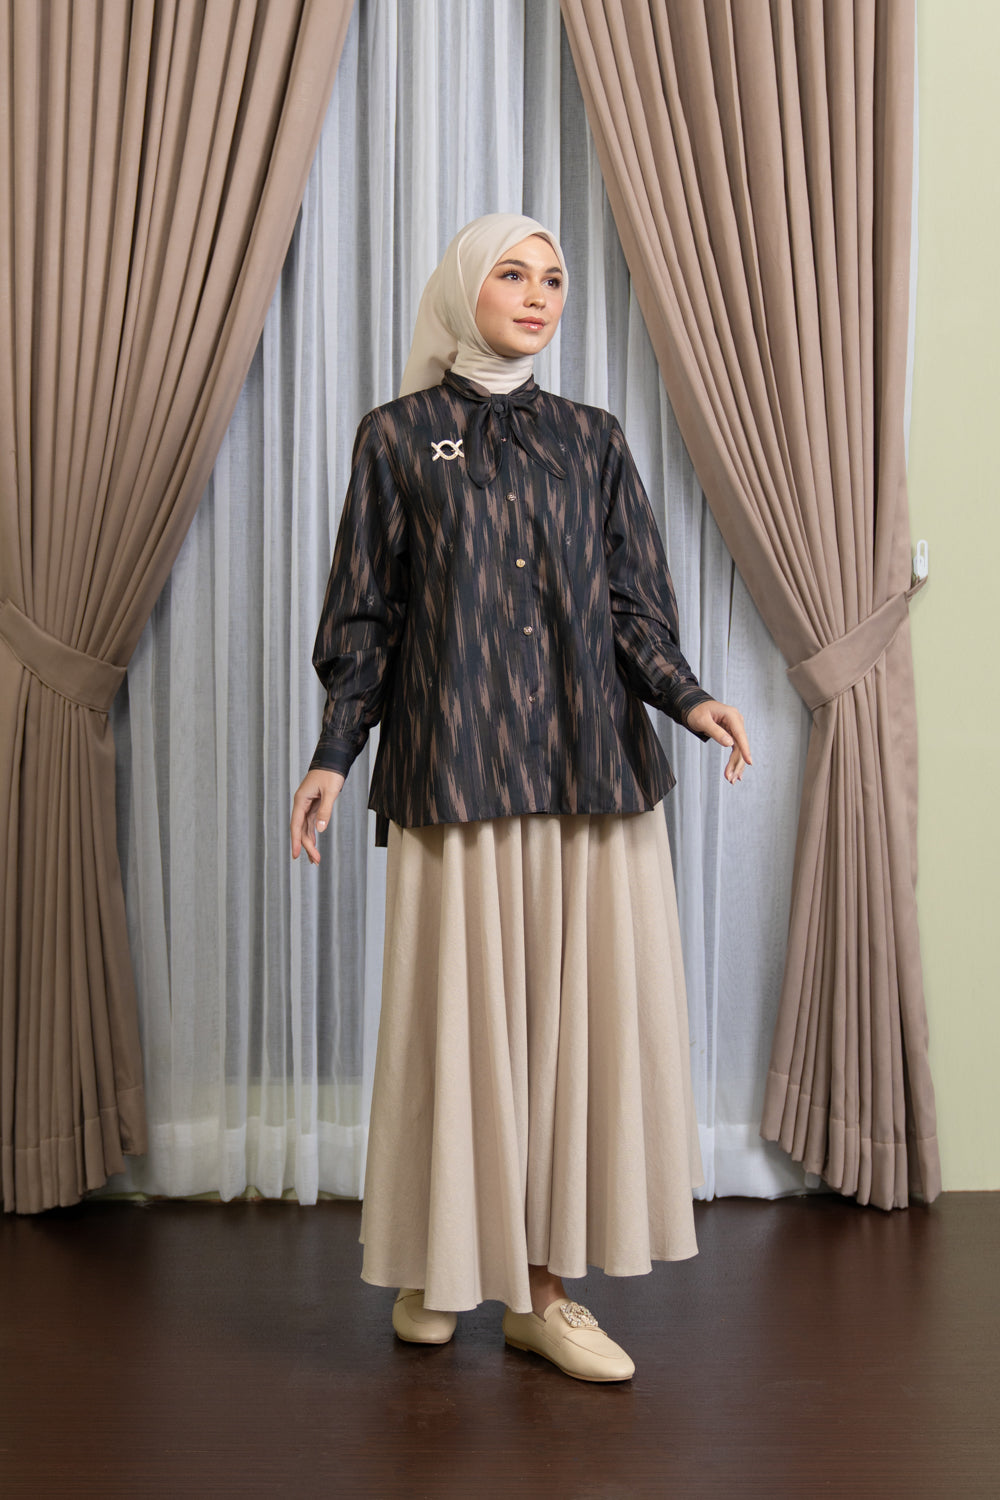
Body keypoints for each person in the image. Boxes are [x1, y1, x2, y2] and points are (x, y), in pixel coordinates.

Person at [290, 213, 751, 1383]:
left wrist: (690, 698)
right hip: (454, 779)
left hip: (588, 780)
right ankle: (440, 1266)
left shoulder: (593, 439)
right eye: (512, 273)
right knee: (457, 1032)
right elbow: (365, 619)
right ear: (464, 292)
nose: (539, 293)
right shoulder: (396, 438)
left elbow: (633, 608)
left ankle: (542, 1296)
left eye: (553, 277)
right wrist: (334, 753)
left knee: (561, 1045)